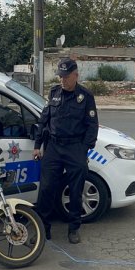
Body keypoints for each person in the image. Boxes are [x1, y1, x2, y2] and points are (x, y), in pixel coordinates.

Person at [32, 58, 98, 244]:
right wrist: (38, 145)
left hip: (74, 148)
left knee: (76, 190)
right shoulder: (54, 93)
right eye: (60, 77)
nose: (62, 80)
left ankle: (74, 228)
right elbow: (44, 120)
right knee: (46, 188)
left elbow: (92, 126)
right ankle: (43, 228)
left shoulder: (85, 96)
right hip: (53, 147)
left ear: (76, 75)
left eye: (66, 77)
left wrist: (83, 149)